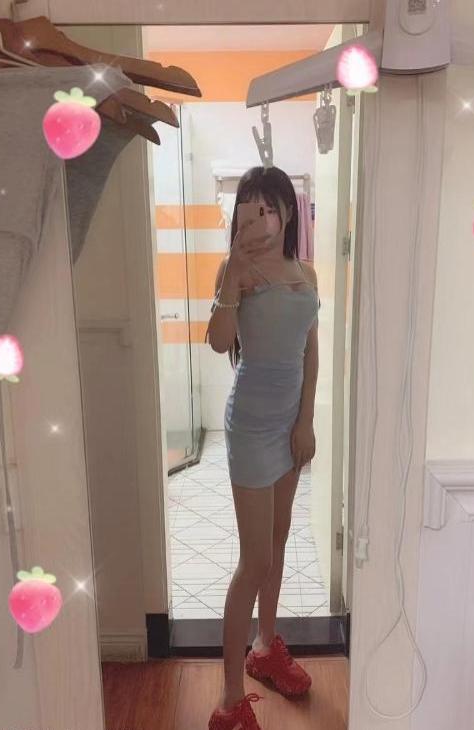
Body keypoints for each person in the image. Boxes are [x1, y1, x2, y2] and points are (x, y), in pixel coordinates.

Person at [205, 166, 321, 730]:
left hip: (288, 427)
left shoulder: (306, 273)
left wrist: (307, 421)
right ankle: (229, 701)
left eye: (269, 207)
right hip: (251, 429)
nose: (259, 217)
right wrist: (231, 276)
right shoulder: (236, 270)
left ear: (289, 213)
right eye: (248, 208)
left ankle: (265, 646)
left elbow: (310, 352)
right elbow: (218, 342)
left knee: (276, 542)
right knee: (254, 561)